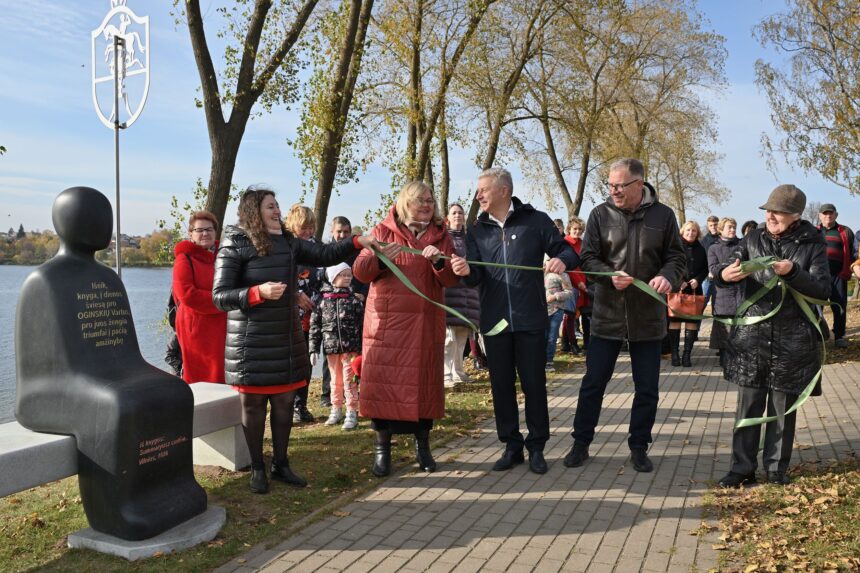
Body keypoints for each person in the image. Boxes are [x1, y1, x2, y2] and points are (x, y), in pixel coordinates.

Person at [213, 188, 378, 494]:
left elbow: (325, 254)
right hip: (251, 342)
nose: (277, 211)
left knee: (285, 403)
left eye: (277, 206)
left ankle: (281, 463)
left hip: (286, 338)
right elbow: (220, 296)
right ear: (253, 211)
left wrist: (357, 241)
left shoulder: (288, 242)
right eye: (270, 207)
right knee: (253, 408)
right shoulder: (234, 243)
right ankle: (258, 468)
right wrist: (256, 293)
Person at [450, 167, 578, 475]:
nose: (478, 195)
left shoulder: (536, 221)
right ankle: (511, 445)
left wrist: (563, 259)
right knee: (502, 386)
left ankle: (536, 447)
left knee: (534, 385)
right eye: (477, 190)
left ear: (503, 191)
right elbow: (476, 277)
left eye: (483, 190)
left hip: (531, 318)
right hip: (495, 322)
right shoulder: (477, 230)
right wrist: (467, 273)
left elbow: (565, 250)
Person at [563, 158, 685, 473]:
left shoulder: (664, 216)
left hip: (647, 317)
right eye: (610, 185)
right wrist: (607, 275)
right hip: (606, 316)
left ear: (639, 184)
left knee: (647, 388)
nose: (614, 191)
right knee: (593, 383)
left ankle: (639, 446)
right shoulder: (600, 215)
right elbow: (587, 258)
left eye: (620, 185)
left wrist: (667, 276)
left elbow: (677, 258)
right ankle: (581, 443)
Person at [715, 184, 829, 487]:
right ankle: (741, 468)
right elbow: (730, 265)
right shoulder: (753, 238)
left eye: (777, 211)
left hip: (792, 339)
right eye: (768, 210)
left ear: (795, 215)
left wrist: (793, 272)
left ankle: (776, 468)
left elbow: (822, 289)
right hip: (752, 336)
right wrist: (723, 275)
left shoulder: (812, 243)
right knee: (748, 404)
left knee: (782, 408)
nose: (771, 216)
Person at [353, 181, 459, 477]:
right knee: (383, 388)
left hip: (425, 322)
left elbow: (451, 279)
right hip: (388, 324)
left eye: (430, 200)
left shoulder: (441, 235)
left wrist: (440, 263)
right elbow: (360, 273)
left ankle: (422, 448)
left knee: (424, 388)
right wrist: (377, 255)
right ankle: (381, 450)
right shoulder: (382, 230)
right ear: (404, 203)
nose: (427, 205)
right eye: (420, 200)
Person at [318, 216, 369, 409]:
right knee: (330, 356)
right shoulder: (324, 252)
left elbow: (365, 277)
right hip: (331, 308)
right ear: (332, 231)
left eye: (346, 232)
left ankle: (354, 394)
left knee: (353, 357)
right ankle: (327, 394)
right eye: (339, 232)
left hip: (353, 308)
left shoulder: (358, 252)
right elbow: (321, 278)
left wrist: (361, 294)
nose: (342, 235)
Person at [171, 210, 227, 383]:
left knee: (224, 375)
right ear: (191, 234)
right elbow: (187, 295)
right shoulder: (184, 259)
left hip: (223, 325)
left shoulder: (225, 256)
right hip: (196, 328)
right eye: (199, 230)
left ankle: (225, 409)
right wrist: (225, 300)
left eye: (209, 229)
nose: (205, 234)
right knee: (201, 378)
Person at [309, 263, 364, 430]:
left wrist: (362, 348)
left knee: (349, 381)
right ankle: (336, 408)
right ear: (333, 278)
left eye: (349, 275)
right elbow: (315, 326)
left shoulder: (354, 300)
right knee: (335, 381)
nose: (347, 278)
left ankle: (352, 411)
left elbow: (362, 324)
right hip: (331, 348)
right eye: (343, 275)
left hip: (351, 349)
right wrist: (313, 348)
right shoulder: (322, 301)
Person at [284, 204, 324, 423]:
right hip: (290, 315)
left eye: (311, 227)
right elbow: (280, 277)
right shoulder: (286, 247)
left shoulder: (318, 247)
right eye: (304, 228)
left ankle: (302, 405)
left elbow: (327, 275)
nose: (308, 232)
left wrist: (317, 299)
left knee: (306, 363)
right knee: (290, 363)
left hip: (313, 315)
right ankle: (287, 407)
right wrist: (295, 294)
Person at [442, 203, 481, 388]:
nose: (458, 215)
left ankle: (458, 371)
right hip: (450, 292)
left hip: (468, 292)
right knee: (449, 338)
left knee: (461, 336)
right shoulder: (443, 237)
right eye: (454, 213)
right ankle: (446, 374)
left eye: (460, 213)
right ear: (448, 217)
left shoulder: (470, 238)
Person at [667, 220, 708, 367]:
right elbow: (669, 266)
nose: (691, 233)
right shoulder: (675, 247)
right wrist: (679, 281)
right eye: (688, 230)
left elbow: (705, 268)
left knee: (692, 322)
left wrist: (698, 279)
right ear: (682, 231)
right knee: (675, 321)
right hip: (678, 289)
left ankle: (687, 356)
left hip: (694, 290)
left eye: (694, 231)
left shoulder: (701, 249)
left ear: (698, 233)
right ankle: (675, 355)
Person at [817, 204, 855, 348]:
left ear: (836, 215)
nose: (828, 216)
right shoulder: (813, 232)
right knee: (816, 306)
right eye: (825, 214)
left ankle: (839, 336)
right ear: (819, 216)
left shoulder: (845, 231)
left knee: (840, 306)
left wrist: (850, 269)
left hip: (838, 275)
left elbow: (853, 251)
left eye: (831, 213)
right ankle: (818, 336)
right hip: (818, 277)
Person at [707, 217, 743, 355]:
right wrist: (730, 268)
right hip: (722, 295)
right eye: (729, 227)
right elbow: (713, 269)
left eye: (734, 227)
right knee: (724, 338)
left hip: (741, 293)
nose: (733, 230)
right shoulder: (713, 248)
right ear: (721, 229)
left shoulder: (742, 245)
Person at [561, 216, 588, 355]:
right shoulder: (565, 243)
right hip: (570, 282)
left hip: (582, 281)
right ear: (569, 229)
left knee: (574, 314)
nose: (577, 231)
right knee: (570, 314)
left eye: (580, 229)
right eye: (575, 229)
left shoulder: (582, 243)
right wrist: (579, 282)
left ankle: (565, 344)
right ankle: (572, 344)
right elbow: (568, 267)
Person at [544, 263, 574, 371]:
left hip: (556, 310)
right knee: (542, 337)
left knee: (552, 338)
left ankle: (549, 362)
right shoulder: (540, 271)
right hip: (541, 311)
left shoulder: (562, 275)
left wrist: (555, 296)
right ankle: (540, 361)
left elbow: (569, 292)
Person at [700, 215, 721, 310]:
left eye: (715, 225)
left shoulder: (723, 238)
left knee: (718, 306)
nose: (713, 227)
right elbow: (701, 259)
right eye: (711, 225)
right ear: (708, 226)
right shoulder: (704, 241)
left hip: (720, 277)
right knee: (701, 304)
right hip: (707, 278)